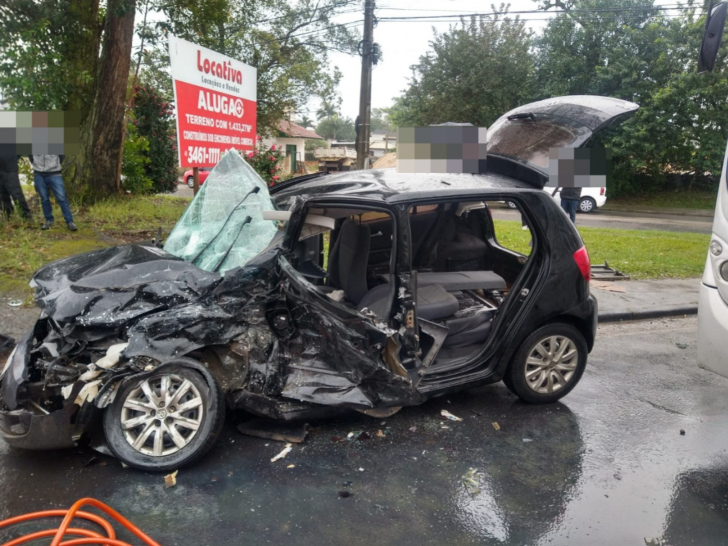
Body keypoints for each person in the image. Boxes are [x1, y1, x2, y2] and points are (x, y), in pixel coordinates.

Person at [30, 154, 77, 231]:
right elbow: (30, 156)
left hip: (55, 174)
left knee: (61, 198)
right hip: (39, 174)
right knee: (44, 198)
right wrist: (37, 164)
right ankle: (49, 220)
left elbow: (61, 156)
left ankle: (70, 221)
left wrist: (54, 165)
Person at [0, 153, 32, 220]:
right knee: (3, 196)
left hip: (10, 169)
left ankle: (26, 217)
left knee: (17, 194)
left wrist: (11, 158)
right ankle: (8, 216)